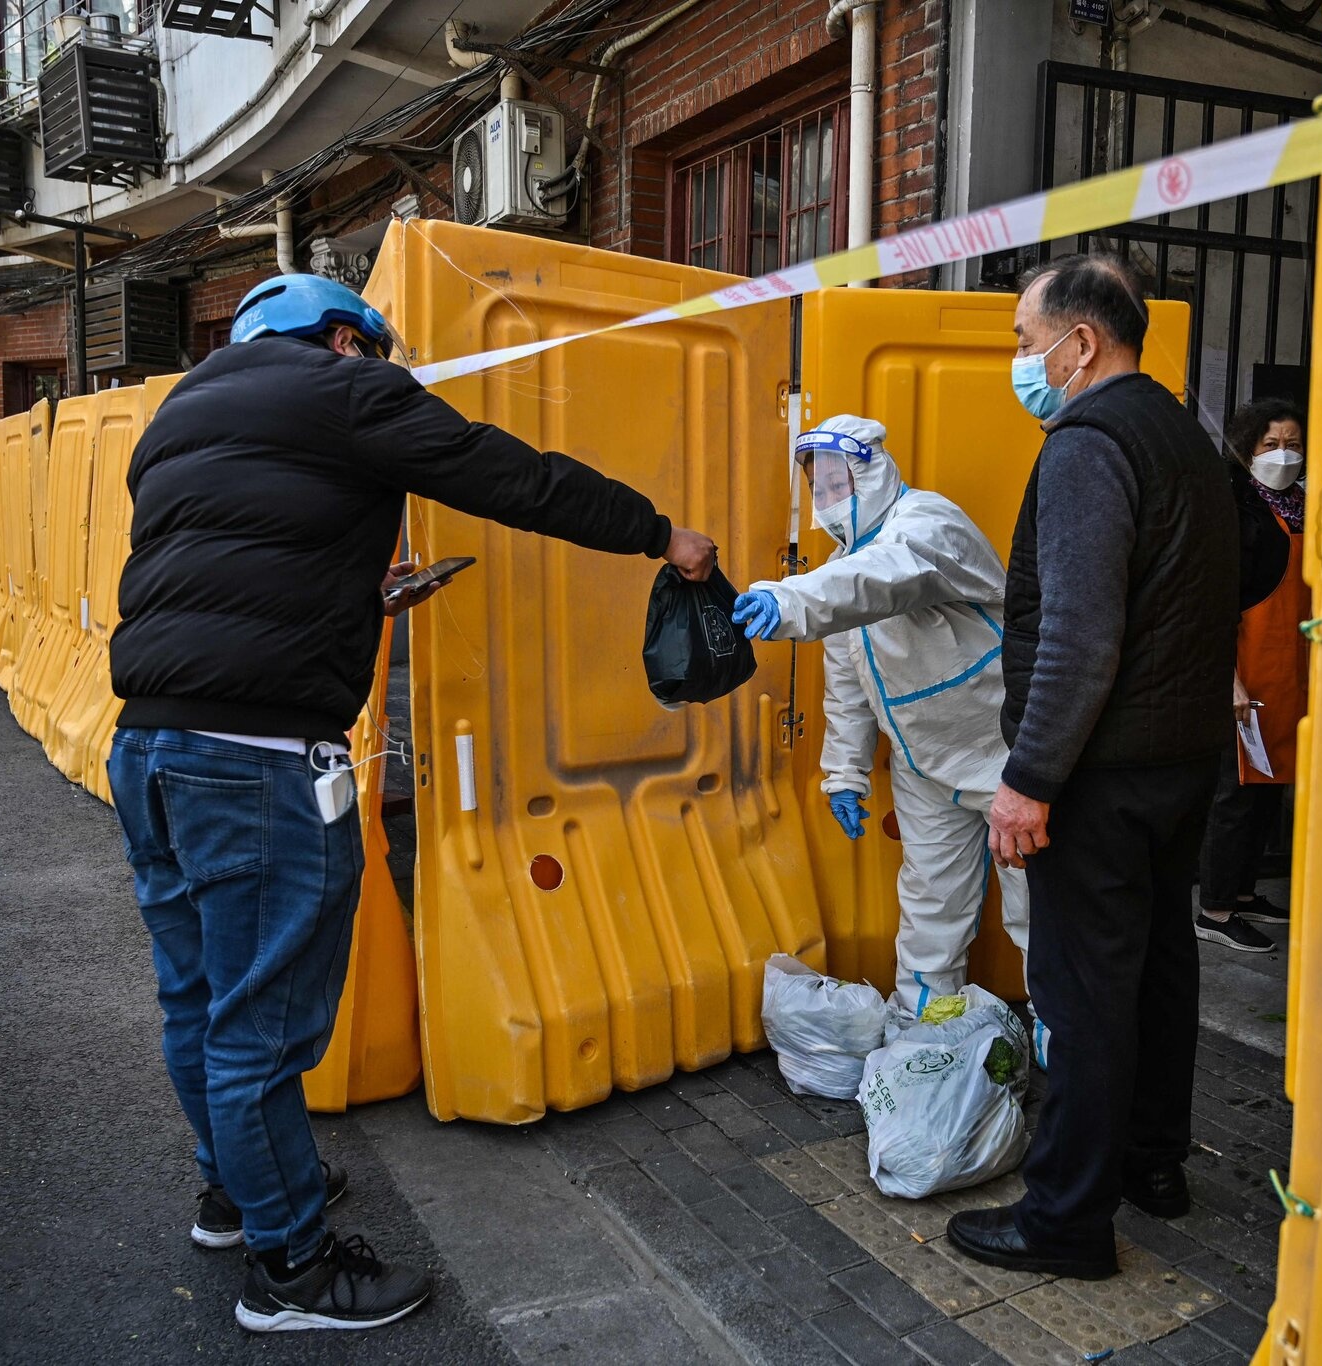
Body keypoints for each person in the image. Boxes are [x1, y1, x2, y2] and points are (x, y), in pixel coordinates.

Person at [106, 275, 717, 1332]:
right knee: (261, 1027)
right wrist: (660, 533)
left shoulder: (178, 416)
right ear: (344, 339)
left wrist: (359, 595)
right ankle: (291, 1270)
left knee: (197, 998)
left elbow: (237, 562)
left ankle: (235, 1193)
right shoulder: (345, 391)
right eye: (376, 353)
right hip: (252, 761)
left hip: (149, 744)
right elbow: (510, 475)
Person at [946, 253, 1238, 1280]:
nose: (1019, 363)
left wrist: (1028, 778)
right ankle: (1152, 1167)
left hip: (1101, 772)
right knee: (1160, 970)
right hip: (1180, 758)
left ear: (1079, 343)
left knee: (1082, 993)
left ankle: (1064, 1219)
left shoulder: (1085, 443)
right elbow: (1259, 558)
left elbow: (1075, 636)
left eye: (1024, 342)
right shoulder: (1185, 436)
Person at [729, 415, 1027, 1016]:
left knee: (1041, 907)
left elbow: (886, 580)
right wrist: (844, 772)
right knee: (931, 903)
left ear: (873, 471)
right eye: (819, 486)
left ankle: (1063, 1033)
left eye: (840, 481)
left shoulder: (927, 525)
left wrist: (790, 598)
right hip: (924, 765)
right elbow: (847, 687)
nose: (830, 498)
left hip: (1003, 754)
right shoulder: (844, 562)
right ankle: (928, 1031)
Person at [1196, 399, 1309, 953]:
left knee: (1270, 787)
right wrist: (1228, 680)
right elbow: (1212, 601)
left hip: (1289, 667)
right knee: (1236, 792)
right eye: (1271, 445)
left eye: (1292, 444)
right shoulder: (1233, 510)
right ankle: (1214, 908)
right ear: (1246, 450)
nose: (1284, 455)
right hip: (1246, 667)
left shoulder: (1302, 508)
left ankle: (1242, 893)